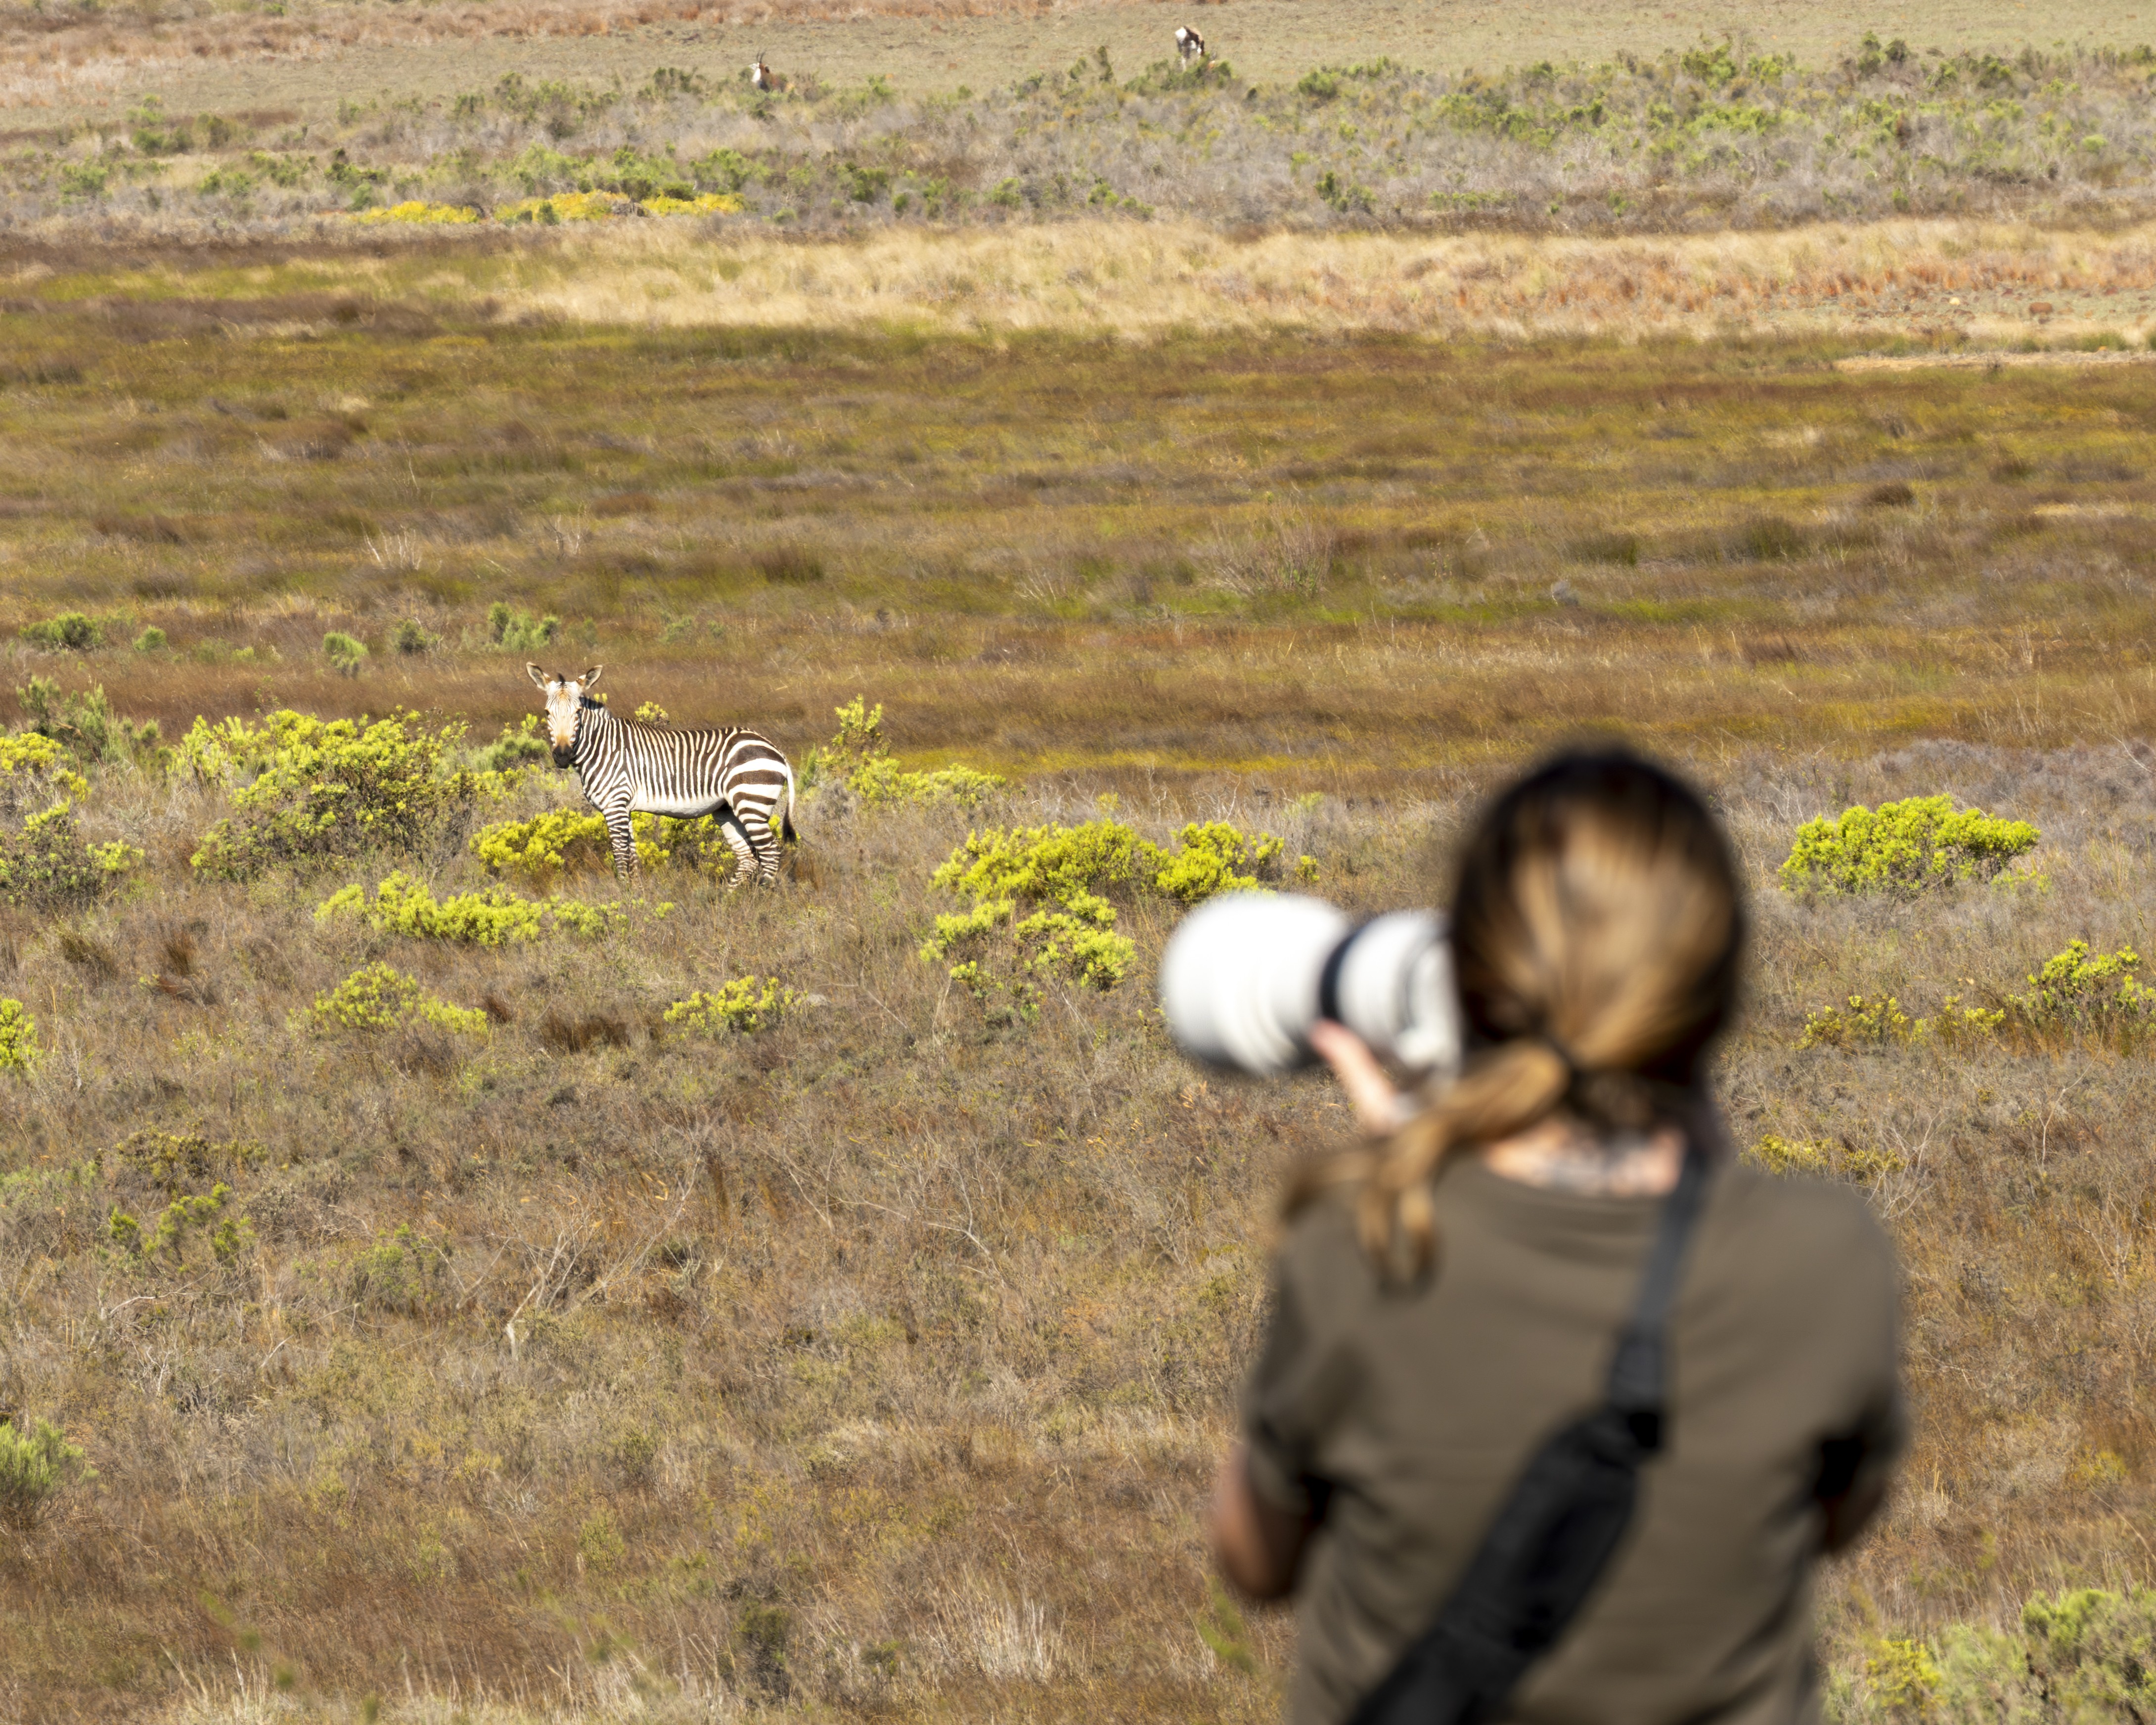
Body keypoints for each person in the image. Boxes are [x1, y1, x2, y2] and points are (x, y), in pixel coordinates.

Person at [1207, 749, 1906, 1725]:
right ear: (1714, 994)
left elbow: (1255, 1560)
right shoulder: (1823, 1258)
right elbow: (1830, 1520)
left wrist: (1411, 1170)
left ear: (1469, 982)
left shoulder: (1360, 1247)